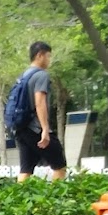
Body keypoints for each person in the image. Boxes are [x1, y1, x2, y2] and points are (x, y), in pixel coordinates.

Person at [15, 40, 68, 182]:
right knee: (59, 165)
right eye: (48, 56)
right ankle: (56, 200)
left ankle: (17, 201)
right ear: (40, 55)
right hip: (35, 128)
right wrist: (45, 129)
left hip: (22, 127)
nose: (49, 60)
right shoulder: (41, 75)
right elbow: (40, 102)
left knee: (25, 170)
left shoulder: (24, 75)